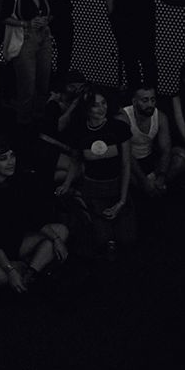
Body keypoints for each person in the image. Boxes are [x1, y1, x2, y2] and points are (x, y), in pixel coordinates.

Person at [0, 141, 71, 292]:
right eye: (3, 159)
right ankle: (20, 268)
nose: (10, 162)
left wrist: (56, 240)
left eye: (12, 156)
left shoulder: (19, 181)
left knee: (60, 232)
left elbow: (35, 218)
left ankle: (29, 274)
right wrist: (9, 270)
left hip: (16, 243)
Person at [60, 88, 134, 250]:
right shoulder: (79, 131)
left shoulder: (119, 127)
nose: (102, 109)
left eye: (104, 103)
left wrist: (121, 200)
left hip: (116, 185)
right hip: (94, 189)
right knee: (103, 240)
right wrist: (66, 184)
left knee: (126, 238)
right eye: (95, 106)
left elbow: (126, 164)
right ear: (87, 109)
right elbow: (75, 160)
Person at [3, 0, 57, 124]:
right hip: (24, 39)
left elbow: (53, 13)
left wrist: (45, 20)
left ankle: (39, 120)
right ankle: (24, 124)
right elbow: (4, 16)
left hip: (44, 38)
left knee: (43, 82)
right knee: (27, 85)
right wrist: (26, 23)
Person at [120, 82, 174, 199]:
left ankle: (155, 188)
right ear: (134, 102)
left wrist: (161, 176)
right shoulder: (124, 117)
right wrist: (144, 180)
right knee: (129, 177)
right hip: (129, 162)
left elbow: (166, 150)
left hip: (149, 158)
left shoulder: (160, 117)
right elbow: (127, 154)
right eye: (145, 100)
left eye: (152, 100)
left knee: (179, 159)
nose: (150, 104)